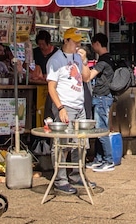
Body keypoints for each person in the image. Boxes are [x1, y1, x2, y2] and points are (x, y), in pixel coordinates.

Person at [45, 28, 95, 195]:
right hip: (65, 104)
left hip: (79, 105)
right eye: (74, 41)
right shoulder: (55, 60)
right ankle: (60, 179)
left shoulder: (77, 58)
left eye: (79, 42)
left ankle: (77, 174)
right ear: (66, 41)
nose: (77, 45)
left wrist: (85, 61)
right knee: (62, 144)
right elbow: (51, 87)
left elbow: (86, 78)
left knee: (80, 143)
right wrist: (60, 108)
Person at [86, 33, 117, 172]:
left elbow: (89, 76)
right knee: (98, 129)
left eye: (93, 44)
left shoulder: (103, 61)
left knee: (101, 130)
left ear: (97, 43)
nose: (93, 47)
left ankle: (109, 160)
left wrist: (84, 63)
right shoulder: (109, 59)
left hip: (102, 97)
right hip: (104, 97)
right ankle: (99, 159)